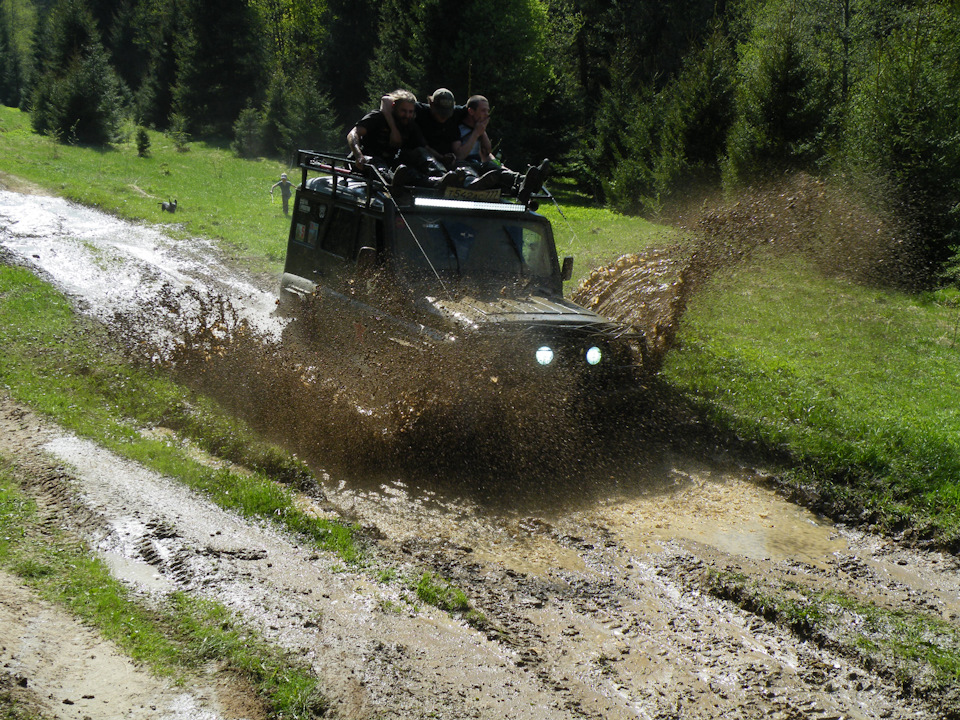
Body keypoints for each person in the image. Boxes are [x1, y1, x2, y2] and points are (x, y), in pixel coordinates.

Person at [346, 89, 458, 190]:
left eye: (410, 112)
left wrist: (441, 158)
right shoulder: (377, 117)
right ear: (394, 107)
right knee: (376, 164)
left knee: (415, 158)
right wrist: (358, 155)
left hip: (390, 161)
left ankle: (439, 180)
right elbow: (353, 134)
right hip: (367, 159)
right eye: (403, 111)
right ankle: (392, 181)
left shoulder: (410, 125)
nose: (407, 115)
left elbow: (424, 148)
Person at [452, 94, 550, 202]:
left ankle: (527, 181)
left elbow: (487, 151)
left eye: (488, 111)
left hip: (479, 164)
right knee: (487, 171)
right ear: (471, 111)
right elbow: (460, 156)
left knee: (496, 169)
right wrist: (476, 133)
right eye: (483, 111)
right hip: (463, 166)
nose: (487, 114)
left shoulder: (478, 128)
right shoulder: (457, 128)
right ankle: (476, 184)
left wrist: (482, 131)